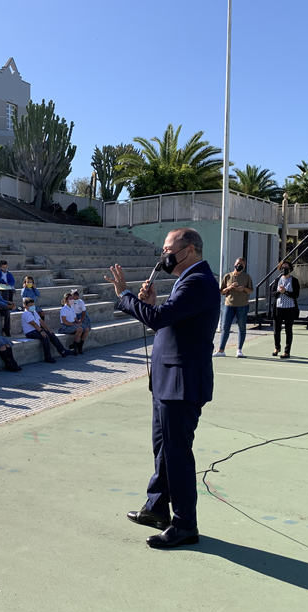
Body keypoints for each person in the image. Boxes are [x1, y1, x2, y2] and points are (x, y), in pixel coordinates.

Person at [106, 227, 219, 549]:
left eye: (169, 249)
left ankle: (185, 525)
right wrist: (151, 305)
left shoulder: (198, 281)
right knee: (163, 448)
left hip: (182, 384)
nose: (164, 255)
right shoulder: (189, 281)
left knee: (177, 454)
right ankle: (157, 507)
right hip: (169, 382)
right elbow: (167, 319)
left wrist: (124, 295)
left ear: (190, 249)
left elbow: (159, 320)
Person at [213, 257, 253, 358]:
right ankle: (221, 350)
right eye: (238, 263)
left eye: (242, 264)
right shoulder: (227, 276)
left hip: (242, 305)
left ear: (244, 266)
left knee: (242, 327)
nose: (239, 265)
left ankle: (239, 349)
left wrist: (243, 288)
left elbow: (251, 290)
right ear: (235, 264)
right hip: (229, 305)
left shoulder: (247, 277)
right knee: (225, 327)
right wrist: (229, 287)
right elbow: (221, 291)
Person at [20, 296, 72, 363]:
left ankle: (63, 351)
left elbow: (41, 321)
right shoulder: (26, 314)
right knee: (45, 337)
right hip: (30, 332)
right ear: (25, 306)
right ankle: (47, 357)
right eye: (30, 305)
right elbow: (33, 324)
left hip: (36, 330)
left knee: (51, 334)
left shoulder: (34, 312)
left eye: (33, 305)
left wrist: (48, 330)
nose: (33, 307)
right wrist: (41, 331)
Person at [271, 261, 299, 359]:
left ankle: (287, 351)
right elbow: (273, 293)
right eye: (282, 267)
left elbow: (296, 295)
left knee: (288, 330)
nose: (284, 269)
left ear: (290, 269)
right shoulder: (277, 279)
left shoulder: (294, 280)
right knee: (276, 330)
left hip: (289, 308)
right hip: (278, 308)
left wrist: (285, 292)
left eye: (286, 267)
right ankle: (277, 347)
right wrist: (279, 291)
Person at [70, 289, 92, 353]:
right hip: (74, 316)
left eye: (76, 298)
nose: (75, 300)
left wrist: (80, 320)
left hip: (82, 316)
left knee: (87, 329)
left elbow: (84, 313)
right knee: (80, 328)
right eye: (74, 298)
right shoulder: (70, 302)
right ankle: (75, 345)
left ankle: (80, 345)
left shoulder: (81, 302)